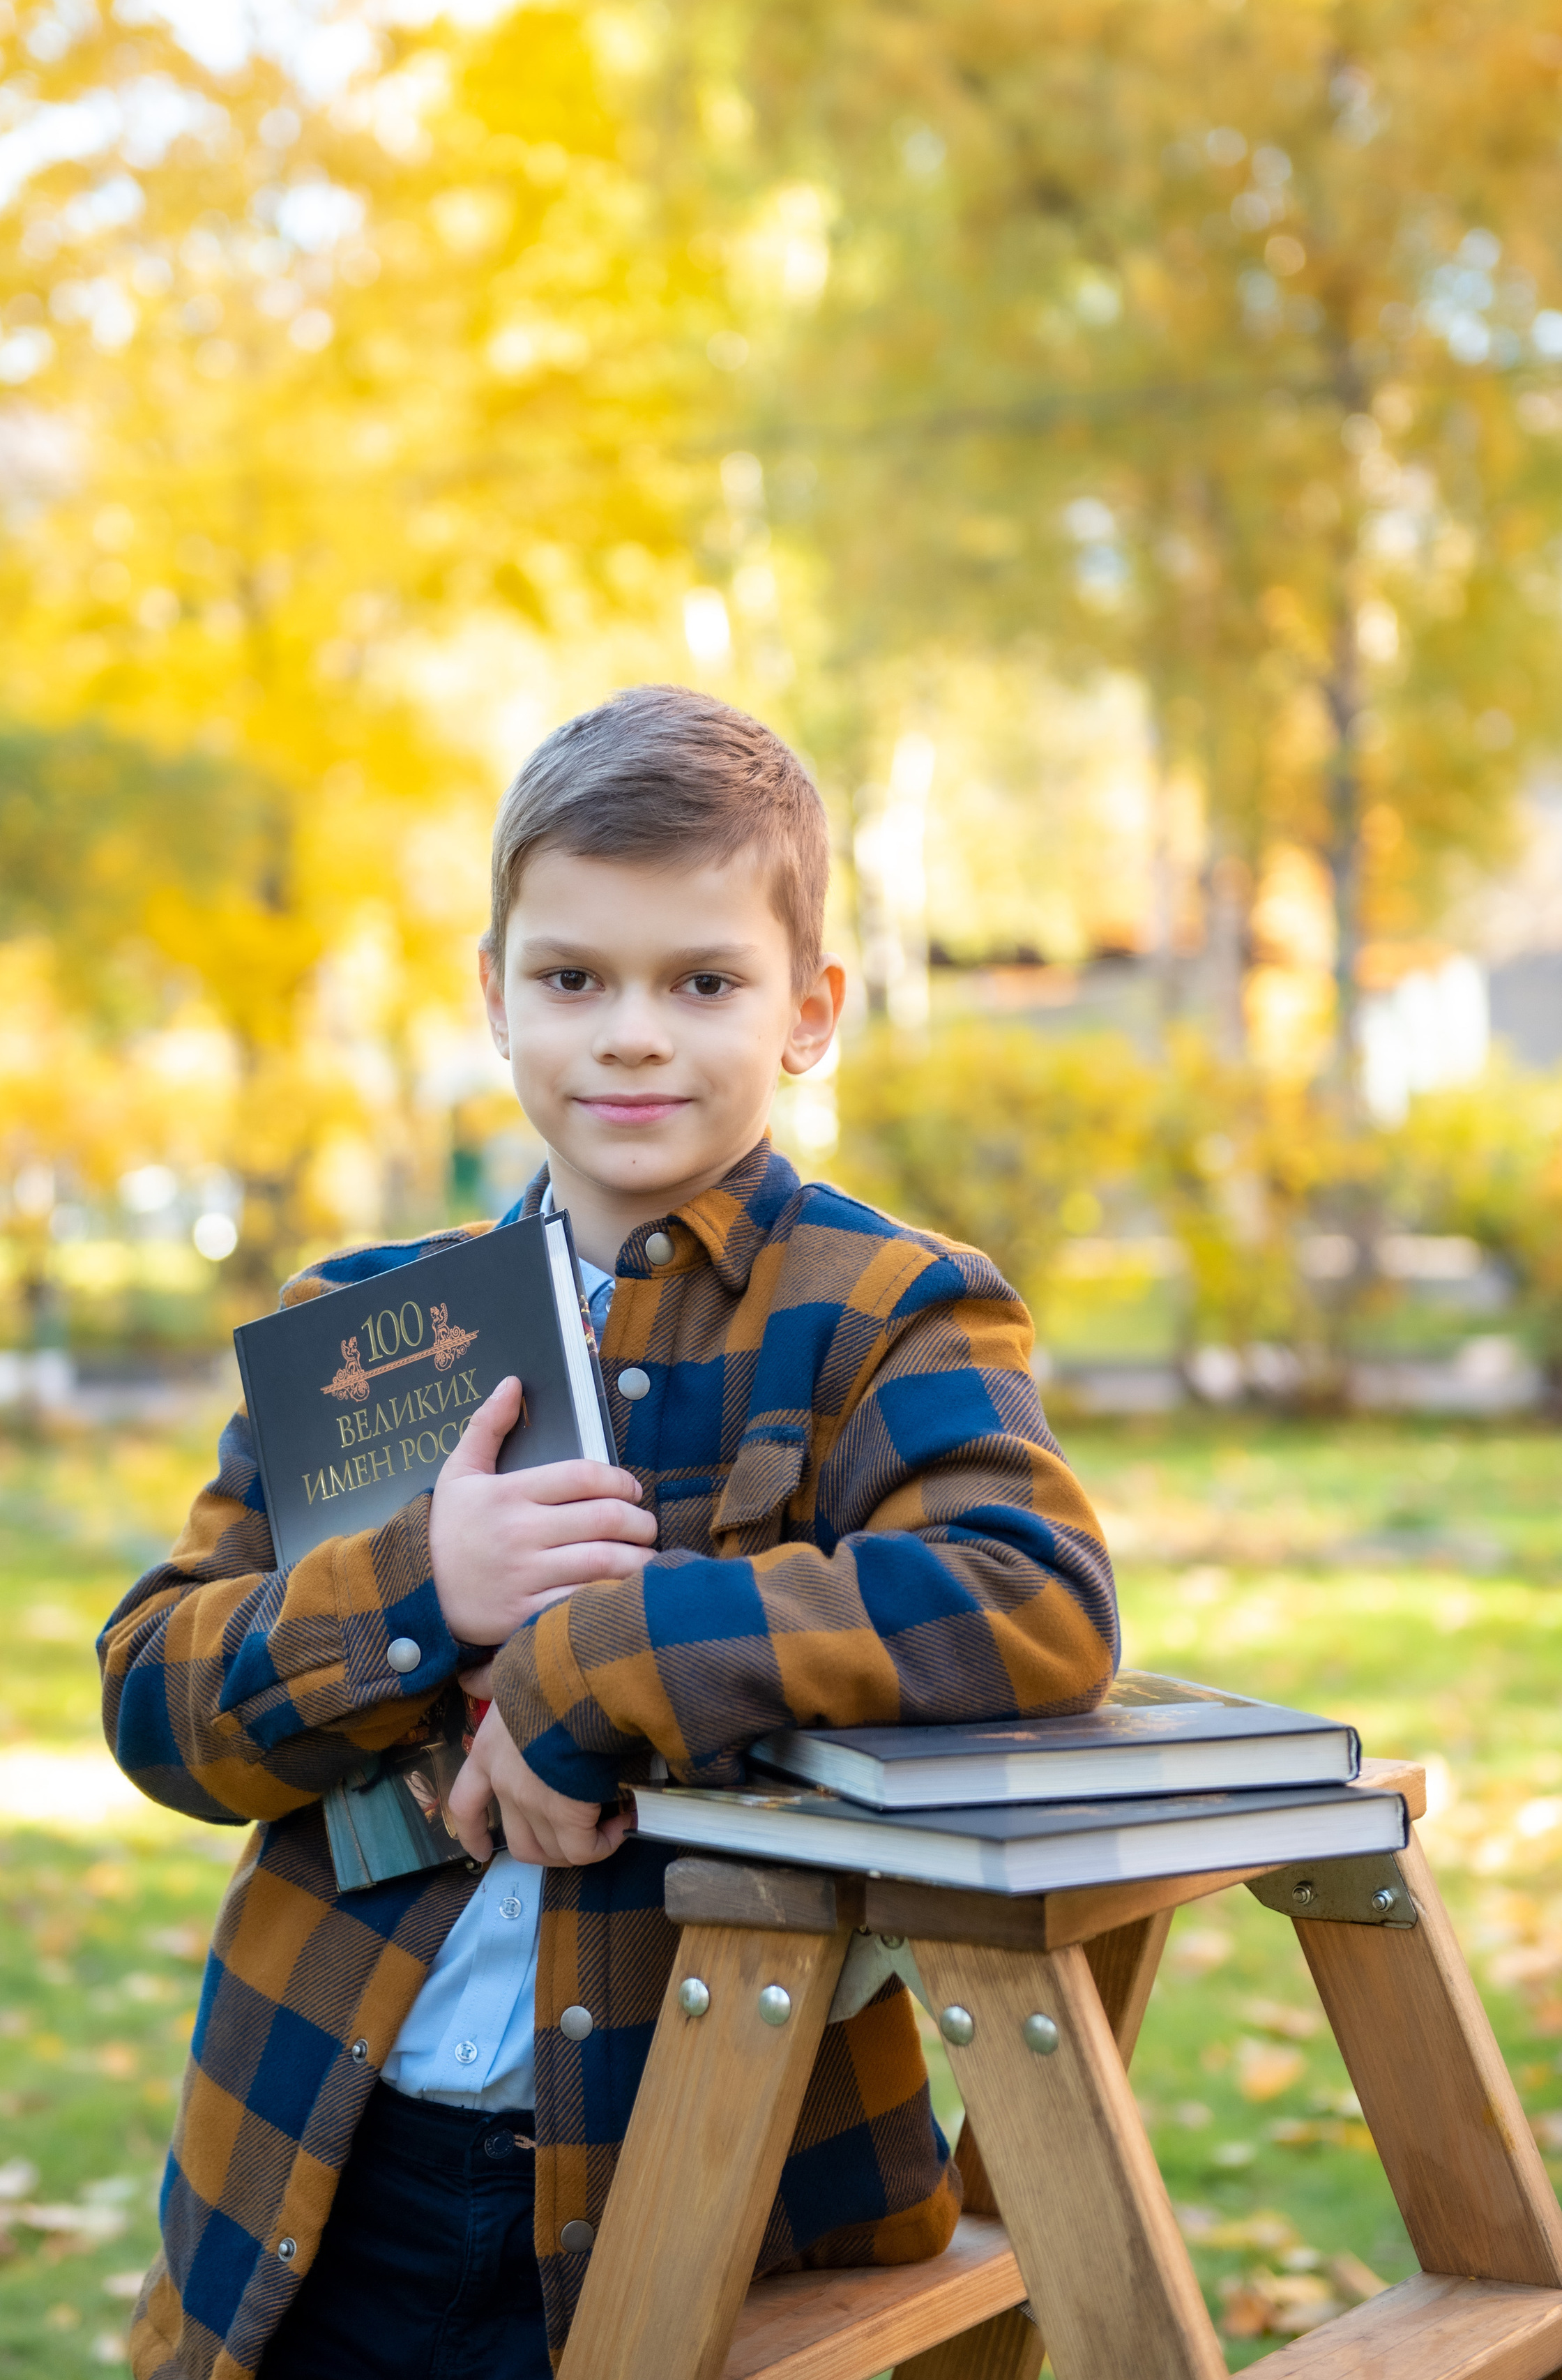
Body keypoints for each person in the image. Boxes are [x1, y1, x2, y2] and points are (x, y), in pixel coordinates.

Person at [101, 683, 1119, 2380]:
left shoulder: (886, 1310)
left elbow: (1025, 1602)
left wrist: (598, 1657)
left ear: (808, 1012)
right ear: (494, 997)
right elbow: (158, 1702)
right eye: (573, 979)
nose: (630, 1034)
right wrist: (429, 1587)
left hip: (706, 2186)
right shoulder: (368, 1326)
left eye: (699, 982)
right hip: (318, 2173)